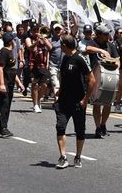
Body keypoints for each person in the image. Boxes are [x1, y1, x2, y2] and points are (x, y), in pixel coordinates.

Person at [54, 34, 95, 169]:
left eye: (61, 44)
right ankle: (63, 156)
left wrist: (85, 99)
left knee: (80, 130)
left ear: (65, 46)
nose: (60, 46)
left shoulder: (80, 59)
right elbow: (63, 76)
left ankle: (78, 156)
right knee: (60, 126)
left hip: (78, 100)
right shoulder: (65, 58)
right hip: (64, 100)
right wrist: (59, 90)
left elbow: (92, 80)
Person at [0, 32, 17, 138]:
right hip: (5, 83)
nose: (15, 41)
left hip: (10, 83)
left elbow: (12, 69)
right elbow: (0, 68)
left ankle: (5, 127)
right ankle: (2, 128)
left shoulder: (10, 52)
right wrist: (2, 84)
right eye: (13, 40)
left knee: (7, 105)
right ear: (10, 41)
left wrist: (19, 83)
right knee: (4, 105)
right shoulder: (4, 52)